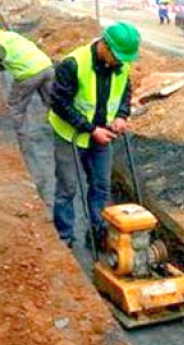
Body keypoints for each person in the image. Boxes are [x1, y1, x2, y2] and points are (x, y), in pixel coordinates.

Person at [48, 21, 140, 248]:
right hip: (70, 134)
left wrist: (121, 115)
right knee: (68, 187)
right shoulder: (73, 64)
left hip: (102, 134)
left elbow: (125, 92)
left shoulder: (121, 65)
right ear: (104, 46)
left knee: (101, 185)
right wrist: (90, 129)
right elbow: (59, 103)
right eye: (117, 57)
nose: (121, 63)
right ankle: (65, 236)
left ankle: (99, 232)